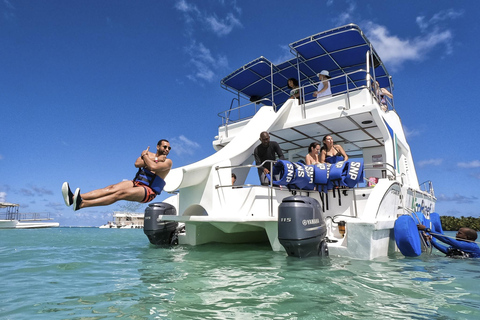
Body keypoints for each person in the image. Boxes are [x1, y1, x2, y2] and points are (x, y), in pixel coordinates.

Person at [62, 139, 172, 211]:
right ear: (158, 147)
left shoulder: (168, 162)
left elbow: (153, 167)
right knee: (110, 188)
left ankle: (82, 204)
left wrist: (146, 156)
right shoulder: (149, 155)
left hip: (148, 191)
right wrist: (155, 158)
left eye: (169, 148)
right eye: (165, 147)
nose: (167, 150)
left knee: (120, 193)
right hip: (136, 183)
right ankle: (73, 198)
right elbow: (137, 164)